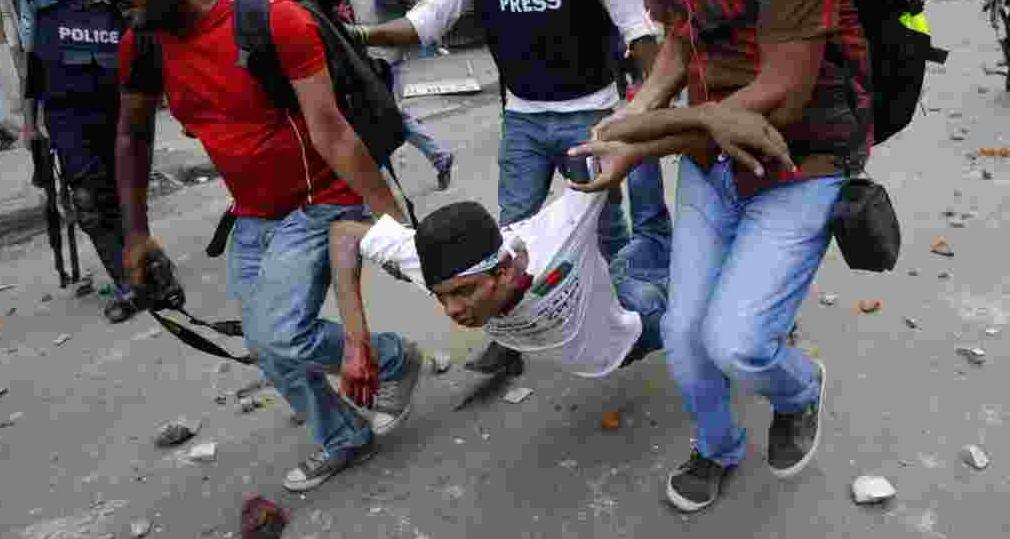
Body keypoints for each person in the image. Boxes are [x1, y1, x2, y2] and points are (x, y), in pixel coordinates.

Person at [50, 0, 423, 493]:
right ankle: (344, 435)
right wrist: (137, 231)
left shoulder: (275, 21)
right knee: (267, 345)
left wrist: (392, 222)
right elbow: (133, 134)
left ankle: (395, 359)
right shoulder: (142, 43)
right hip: (253, 213)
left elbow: (332, 131)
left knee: (281, 334)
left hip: (319, 201)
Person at [569, 0, 869, 512]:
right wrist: (639, 116)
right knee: (682, 336)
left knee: (736, 341)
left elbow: (784, 92)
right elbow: (681, 41)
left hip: (800, 161)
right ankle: (717, 445)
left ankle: (799, 391)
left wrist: (641, 137)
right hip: (711, 163)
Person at [348, 0, 670, 377]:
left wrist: (656, 111)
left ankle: (617, 318)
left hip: (593, 115)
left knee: (601, 227)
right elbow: (424, 25)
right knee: (505, 237)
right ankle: (510, 341)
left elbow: (636, 29)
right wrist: (356, 34)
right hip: (523, 119)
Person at [328, 107, 791, 383]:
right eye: (442, 295)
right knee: (648, 240)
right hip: (614, 288)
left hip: (639, 324)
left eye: (465, 292)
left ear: (505, 270)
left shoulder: (555, 235)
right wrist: (355, 342)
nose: (452, 310)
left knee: (708, 298)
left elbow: (613, 145)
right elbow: (345, 234)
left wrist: (700, 120)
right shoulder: (431, 261)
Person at [23, 0, 139, 323]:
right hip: (69, 128)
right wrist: (28, 125)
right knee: (89, 206)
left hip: (119, 123)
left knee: (125, 199)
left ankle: (141, 266)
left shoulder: (121, 12)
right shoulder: (49, 15)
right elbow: (34, 77)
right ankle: (127, 283)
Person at [335, 0, 455, 191]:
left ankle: (384, 178)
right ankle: (435, 159)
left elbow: (425, 8)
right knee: (385, 116)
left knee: (391, 117)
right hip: (367, 64)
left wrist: (423, 40)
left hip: (392, 63)